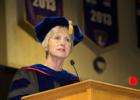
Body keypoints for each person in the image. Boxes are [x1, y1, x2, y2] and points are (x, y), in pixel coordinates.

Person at [7, 16, 83, 100]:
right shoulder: (28, 74)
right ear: (46, 44)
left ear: (70, 48)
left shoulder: (73, 82)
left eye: (68, 40)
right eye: (57, 38)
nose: (62, 43)